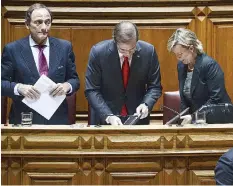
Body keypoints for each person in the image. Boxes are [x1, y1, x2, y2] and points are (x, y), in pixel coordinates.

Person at [1, 3, 80, 125]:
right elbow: (2, 83)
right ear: (27, 24)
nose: (44, 27)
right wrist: (19, 88)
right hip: (24, 119)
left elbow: (74, 80)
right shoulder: (13, 49)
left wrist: (67, 86)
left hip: (57, 121)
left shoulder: (64, 47)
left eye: (47, 22)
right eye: (38, 22)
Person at [85, 21, 162, 125]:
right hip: (105, 119)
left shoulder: (149, 52)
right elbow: (92, 90)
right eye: (123, 50)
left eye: (132, 49)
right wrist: (108, 115)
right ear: (115, 41)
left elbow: (155, 86)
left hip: (137, 119)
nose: (128, 54)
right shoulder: (98, 53)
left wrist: (146, 104)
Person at [167, 28, 231, 122]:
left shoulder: (209, 65)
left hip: (217, 120)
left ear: (191, 48)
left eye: (180, 54)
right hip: (196, 121)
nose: (178, 58)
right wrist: (182, 118)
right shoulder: (181, 66)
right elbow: (184, 98)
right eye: (175, 54)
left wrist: (194, 117)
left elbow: (216, 99)